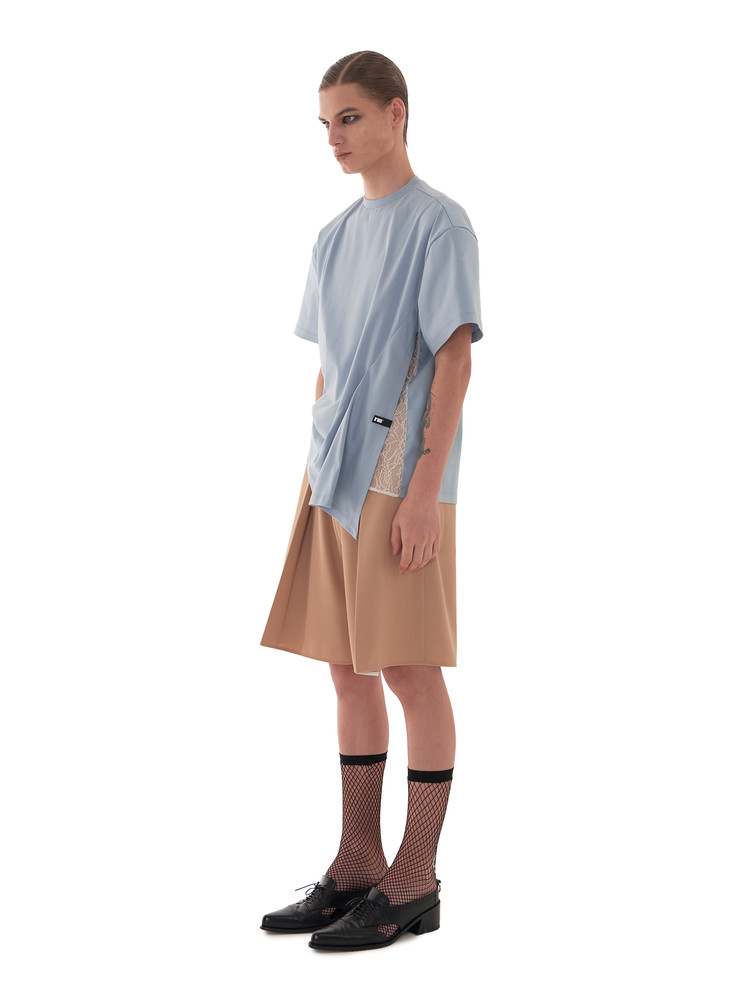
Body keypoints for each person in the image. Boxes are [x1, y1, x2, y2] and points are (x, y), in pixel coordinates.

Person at [259, 50, 483, 951]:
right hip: (331, 474)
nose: (335, 138)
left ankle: (415, 877)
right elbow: (328, 364)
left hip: (399, 477)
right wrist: (315, 472)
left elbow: (454, 360)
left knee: (408, 668)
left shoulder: (440, 224)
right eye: (325, 123)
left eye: (349, 117)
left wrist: (426, 489)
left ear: (397, 113)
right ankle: (359, 861)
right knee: (344, 667)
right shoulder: (333, 236)